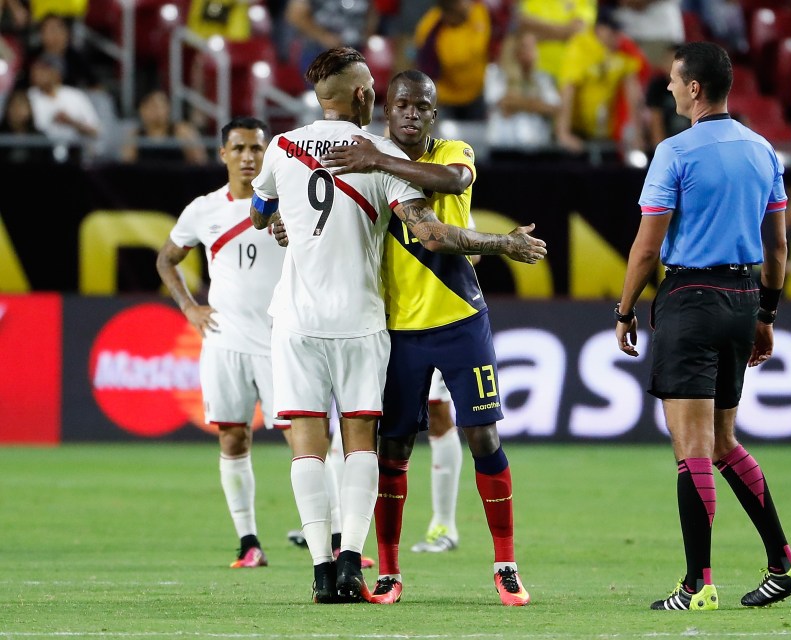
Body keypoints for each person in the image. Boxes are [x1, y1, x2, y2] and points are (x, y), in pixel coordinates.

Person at [248, 47, 546, 605]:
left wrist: (286, 219)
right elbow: (421, 230)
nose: (411, 114)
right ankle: (377, 570)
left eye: (422, 106)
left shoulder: (332, 151)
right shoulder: (374, 156)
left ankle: (500, 564)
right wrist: (502, 243)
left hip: (443, 316)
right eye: (401, 104)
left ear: (434, 114)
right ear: (376, 103)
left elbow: (454, 181)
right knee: (384, 447)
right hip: (384, 325)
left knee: (475, 435)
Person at [614, 42, 791, 611]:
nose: (670, 89)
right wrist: (766, 316)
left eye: (675, 81)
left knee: (693, 450)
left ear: (695, 88)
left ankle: (698, 583)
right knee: (723, 441)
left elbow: (647, 246)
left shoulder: (674, 153)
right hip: (743, 297)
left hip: (692, 298)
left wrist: (625, 309)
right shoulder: (763, 151)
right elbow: (777, 248)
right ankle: (785, 562)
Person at [156, 117, 289, 570]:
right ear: (223, 154)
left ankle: (332, 538)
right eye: (239, 149)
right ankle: (248, 542)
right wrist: (190, 309)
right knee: (233, 437)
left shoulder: (291, 203)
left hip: (280, 338)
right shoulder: (204, 209)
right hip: (225, 341)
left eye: (256, 148)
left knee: (308, 438)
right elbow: (167, 259)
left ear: (268, 154)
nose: (249, 157)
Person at [554, 7, 643, 155]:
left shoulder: (624, 49)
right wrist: (563, 133)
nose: (617, 37)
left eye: (618, 31)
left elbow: (633, 93)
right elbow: (568, 89)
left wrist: (637, 134)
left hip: (605, 132)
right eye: (612, 31)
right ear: (599, 29)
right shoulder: (580, 46)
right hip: (577, 129)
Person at [484, 31, 563, 155]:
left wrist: (519, 103)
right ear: (514, 49)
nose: (531, 52)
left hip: (537, 149)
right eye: (525, 46)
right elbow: (504, 103)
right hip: (503, 148)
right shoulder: (496, 74)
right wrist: (536, 104)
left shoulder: (543, 78)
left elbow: (555, 108)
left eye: (533, 47)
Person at [414, 0, 491, 120]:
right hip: (446, 100)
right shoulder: (431, 28)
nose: (467, 4)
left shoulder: (477, 11)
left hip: (475, 96)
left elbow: (479, 47)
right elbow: (456, 60)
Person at [121, 89, 207, 165]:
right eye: (152, 106)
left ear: (168, 108)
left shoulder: (183, 131)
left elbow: (200, 164)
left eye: (160, 106)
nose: (157, 110)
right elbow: (126, 168)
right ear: (142, 110)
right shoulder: (135, 136)